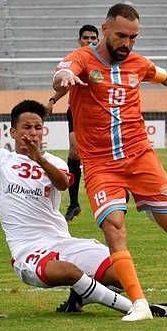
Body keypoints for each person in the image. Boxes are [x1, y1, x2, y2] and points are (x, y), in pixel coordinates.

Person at [51, 3, 167, 321]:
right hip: (101, 164)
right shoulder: (82, 58)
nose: (127, 43)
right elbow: (63, 72)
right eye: (121, 35)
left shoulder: (138, 63)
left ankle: (142, 199)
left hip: (140, 157)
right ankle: (139, 304)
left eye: (133, 37)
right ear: (105, 29)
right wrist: (63, 78)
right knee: (115, 228)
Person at [0, 99, 167, 319]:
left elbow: (63, 183)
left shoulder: (54, 161)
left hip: (62, 243)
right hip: (27, 251)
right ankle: (139, 309)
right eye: (26, 127)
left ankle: (83, 297)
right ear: (13, 132)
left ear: (44, 131)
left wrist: (38, 158)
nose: (32, 132)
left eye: (38, 127)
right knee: (69, 271)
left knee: (119, 269)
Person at [47, 24, 99, 222]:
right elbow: (65, 84)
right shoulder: (74, 60)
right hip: (77, 112)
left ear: (98, 40)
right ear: (80, 40)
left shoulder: (100, 61)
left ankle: (118, 190)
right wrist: (52, 100)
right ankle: (74, 203)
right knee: (74, 152)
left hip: (99, 115)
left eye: (93, 38)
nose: (90, 41)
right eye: (86, 38)